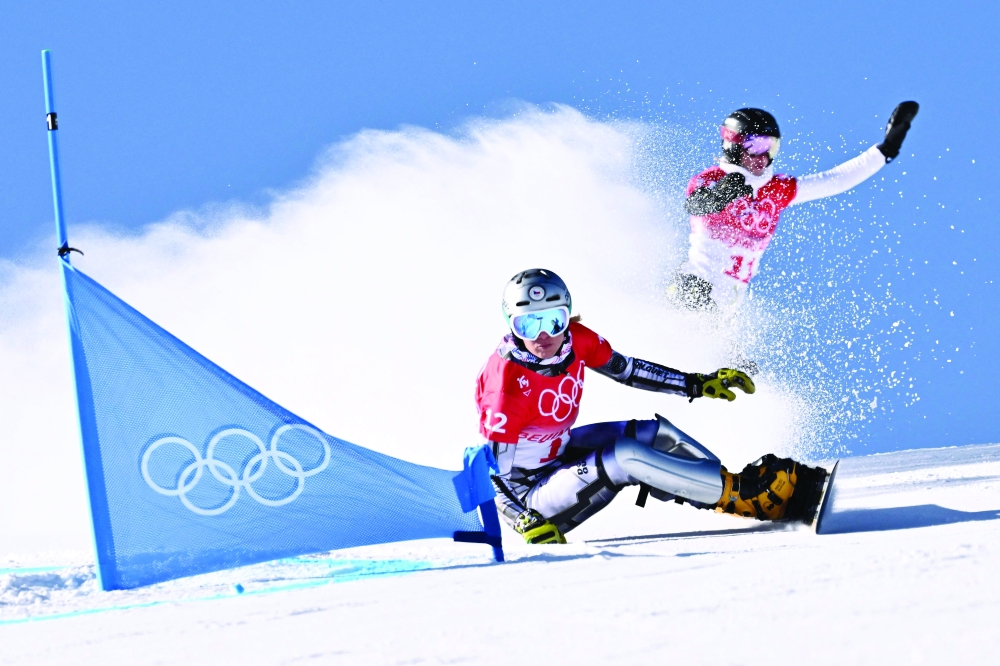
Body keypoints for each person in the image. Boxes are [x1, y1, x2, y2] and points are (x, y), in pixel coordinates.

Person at [476, 268, 828, 544]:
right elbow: (493, 472)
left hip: (558, 455)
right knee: (625, 455)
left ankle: (734, 491)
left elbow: (628, 371)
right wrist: (525, 522)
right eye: (527, 323)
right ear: (510, 325)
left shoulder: (577, 341)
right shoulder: (506, 383)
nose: (543, 337)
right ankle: (745, 495)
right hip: (531, 499)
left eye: (553, 320)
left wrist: (695, 383)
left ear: (567, 316)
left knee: (654, 433)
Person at [670, 102, 919, 310]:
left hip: (728, 306)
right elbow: (695, 204)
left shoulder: (776, 189)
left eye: (771, 147)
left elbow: (834, 181)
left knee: (739, 367)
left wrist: (885, 150)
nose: (763, 156)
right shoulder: (714, 179)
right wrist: (718, 198)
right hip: (695, 288)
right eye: (756, 146)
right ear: (733, 145)